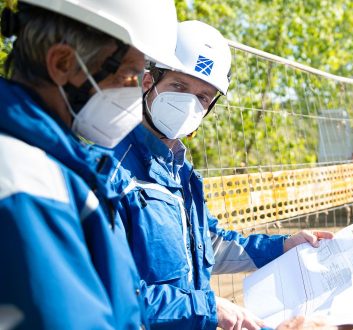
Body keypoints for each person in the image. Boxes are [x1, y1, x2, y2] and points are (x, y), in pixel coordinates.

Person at [110, 20, 334, 330]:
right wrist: (206, 308)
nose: (189, 103)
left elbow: (209, 243)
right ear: (148, 81)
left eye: (202, 97)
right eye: (179, 86)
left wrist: (283, 246)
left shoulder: (183, 173)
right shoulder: (112, 170)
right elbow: (110, 293)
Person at [0, 0, 181, 328]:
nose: (134, 96)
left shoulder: (61, 167)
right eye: (129, 74)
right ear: (63, 63)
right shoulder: (23, 178)